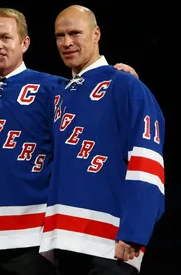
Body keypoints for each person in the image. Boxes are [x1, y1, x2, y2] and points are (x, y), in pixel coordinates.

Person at [0, 7, 140, 275]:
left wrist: (118, 76)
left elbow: (90, 100)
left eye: (6, 37)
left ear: (24, 43)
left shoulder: (56, 88)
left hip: (33, 237)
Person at [39, 5, 165, 275]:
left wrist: (135, 231)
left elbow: (147, 164)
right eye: (59, 36)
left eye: (75, 33)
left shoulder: (127, 86)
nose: (67, 42)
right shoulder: (58, 95)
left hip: (111, 242)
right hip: (65, 239)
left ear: (96, 34)